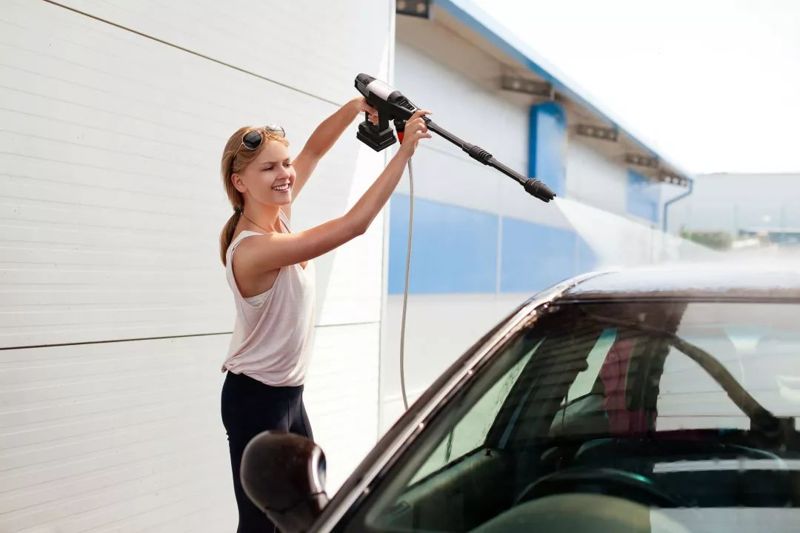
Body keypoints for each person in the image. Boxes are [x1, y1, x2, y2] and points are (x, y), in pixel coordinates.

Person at [218, 96, 431, 532]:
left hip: (288, 397)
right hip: (255, 401)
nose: (285, 173)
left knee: (306, 517)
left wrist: (355, 107)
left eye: (284, 163)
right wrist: (404, 151)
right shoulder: (256, 249)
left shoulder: (277, 216)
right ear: (240, 182)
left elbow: (313, 151)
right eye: (269, 168)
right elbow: (354, 224)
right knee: (261, 526)